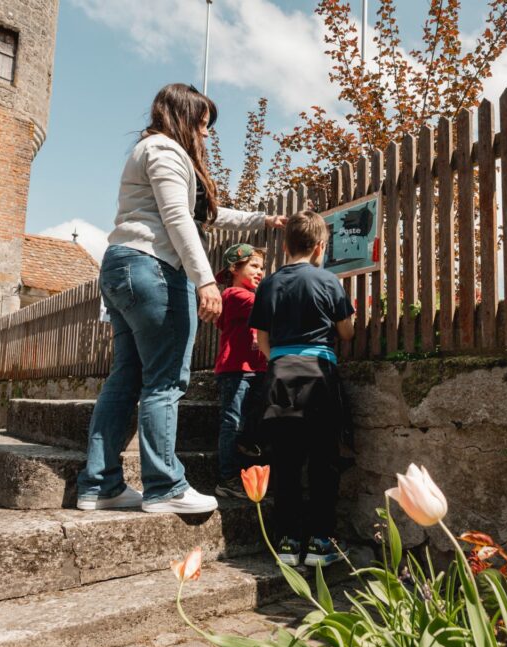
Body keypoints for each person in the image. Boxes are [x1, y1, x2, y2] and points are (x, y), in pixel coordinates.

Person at [77, 83, 286, 514]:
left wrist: (260, 218)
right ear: (185, 118)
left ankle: (100, 485)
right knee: (167, 381)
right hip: (153, 269)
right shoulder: (167, 151)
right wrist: (205, 281)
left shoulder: (149, 151)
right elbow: (178, 219)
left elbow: (202, 213)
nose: (207, 135)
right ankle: (165, 487)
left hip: (121, 267)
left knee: (126, 378)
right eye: (204, 125)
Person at [249, 211, 354, 567]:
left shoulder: (268, 284)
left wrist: (281, 358)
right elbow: (346, 333)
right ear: (320, 247)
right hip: (318, 375)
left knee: (285, 460)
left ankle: (288, 542)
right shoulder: (328, 281)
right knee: (324, 460)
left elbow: (262, 340)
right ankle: (321, 543)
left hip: (279, 375)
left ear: (287, 244)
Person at [212, 243, 268, 499]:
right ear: (234, 268)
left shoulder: (250, 296)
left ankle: (246, 472)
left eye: (262, 268)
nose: (260, 272)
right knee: (232, 423)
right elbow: (266, 307)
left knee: (249, 423)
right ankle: (227, 478)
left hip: (256, 369)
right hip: (236, 369)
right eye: (254, 266)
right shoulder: (234, 295)